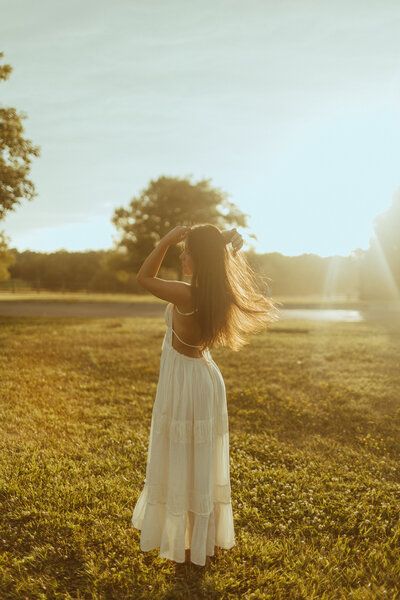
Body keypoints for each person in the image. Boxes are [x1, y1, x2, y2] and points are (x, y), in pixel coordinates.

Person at [130, 223, 278, 567]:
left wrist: (165, 240)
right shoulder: (216, 291)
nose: (182, 256)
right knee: (200, 461)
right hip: (204, 378)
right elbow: (210, 261)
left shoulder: (186, 294)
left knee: (185, 457)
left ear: (199, 258)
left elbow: (144, 278)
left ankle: (190, 544)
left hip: (186, 383)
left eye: (187, 252)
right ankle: (199, 541)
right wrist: (219, 244)